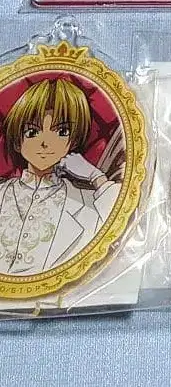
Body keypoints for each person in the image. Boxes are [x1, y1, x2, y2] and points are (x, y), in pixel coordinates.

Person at [0, 78, 120, 275]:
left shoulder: (86, 202)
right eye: (32, 132)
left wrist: (96, 176)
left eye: (61, 131)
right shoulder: (3, 192)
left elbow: (122, 215)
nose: (45, 143)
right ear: (17, 141)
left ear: (73, 141)